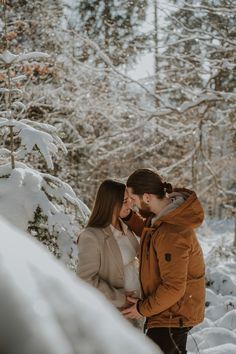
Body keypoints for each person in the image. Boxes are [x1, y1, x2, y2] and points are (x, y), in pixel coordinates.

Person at [122, 169, 205, 354]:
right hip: (166, 310)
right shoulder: (163, 218)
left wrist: (142, 309)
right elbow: (151, 233)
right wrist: (128, 216)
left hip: (173, 314)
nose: (133, 205)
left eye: (133, 200)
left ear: (147, 197)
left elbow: (174, 287)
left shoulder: (173, 232)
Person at [76, 179, 141, 323]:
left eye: (130, 199)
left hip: (135, 310)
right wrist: (120, 299)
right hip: (112, 313)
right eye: (125, 201)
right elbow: (85, 279)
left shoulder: (125, 228)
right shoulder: (91, 236)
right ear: (111, 204)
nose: (131, 204)